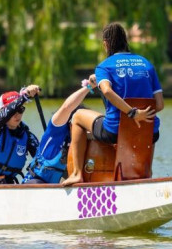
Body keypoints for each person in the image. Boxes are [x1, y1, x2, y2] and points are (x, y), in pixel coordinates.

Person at [63, 22, 164, 186]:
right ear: (126, 41)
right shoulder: (147, 64)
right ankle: (146, 177)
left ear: (106, 44)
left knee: (77, 117)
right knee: (147, 131)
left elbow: (108, 91)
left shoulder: (104, 66)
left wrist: (132, 113)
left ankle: (77, 174)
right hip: (148, 132)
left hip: (114, 131)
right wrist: (140, 115)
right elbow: (159, 105)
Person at [23, 75, 97, 184]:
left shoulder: (79, 139)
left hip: (55, 188)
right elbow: (67, 107)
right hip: (34, 182)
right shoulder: (56, 129)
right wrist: (90, 86)